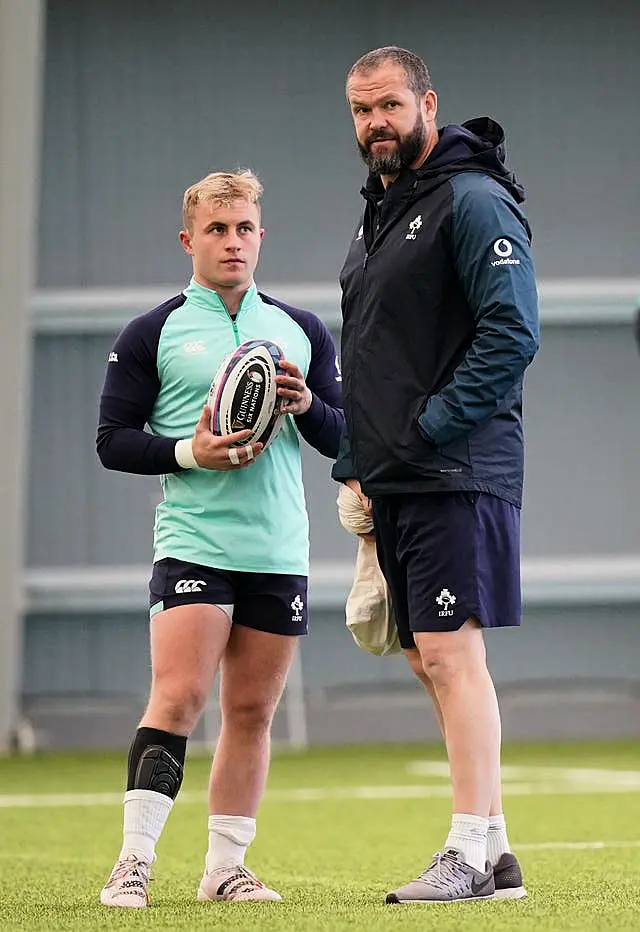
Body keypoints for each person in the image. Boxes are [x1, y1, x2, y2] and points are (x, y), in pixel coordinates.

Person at [96, 169, 343, 907]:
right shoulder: (154, 331)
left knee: (252, 713)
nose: (232, 242)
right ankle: (134, 860)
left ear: (262, 236)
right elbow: (112, 440)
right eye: (216, 229)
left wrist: (307, 405)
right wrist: (187, 452)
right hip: (195, 543)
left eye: (244, 229)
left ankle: (224, 867)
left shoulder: (301, 329)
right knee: (178, 698)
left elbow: (346, 440)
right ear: (189, 239)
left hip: (278, 549)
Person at [332, 46, 540, 904]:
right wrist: (359, 463)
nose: (373, 123)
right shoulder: (382, 210)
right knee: (427, 657)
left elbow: (511, 332)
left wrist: (427, 430)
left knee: (453, 656)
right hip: (399, 478)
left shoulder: (473, 198)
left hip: (454, 468)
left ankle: (466, 854)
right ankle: (495, 854)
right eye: (358, 110)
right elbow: (376, 352)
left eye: (387, 105)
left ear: (427, 102)